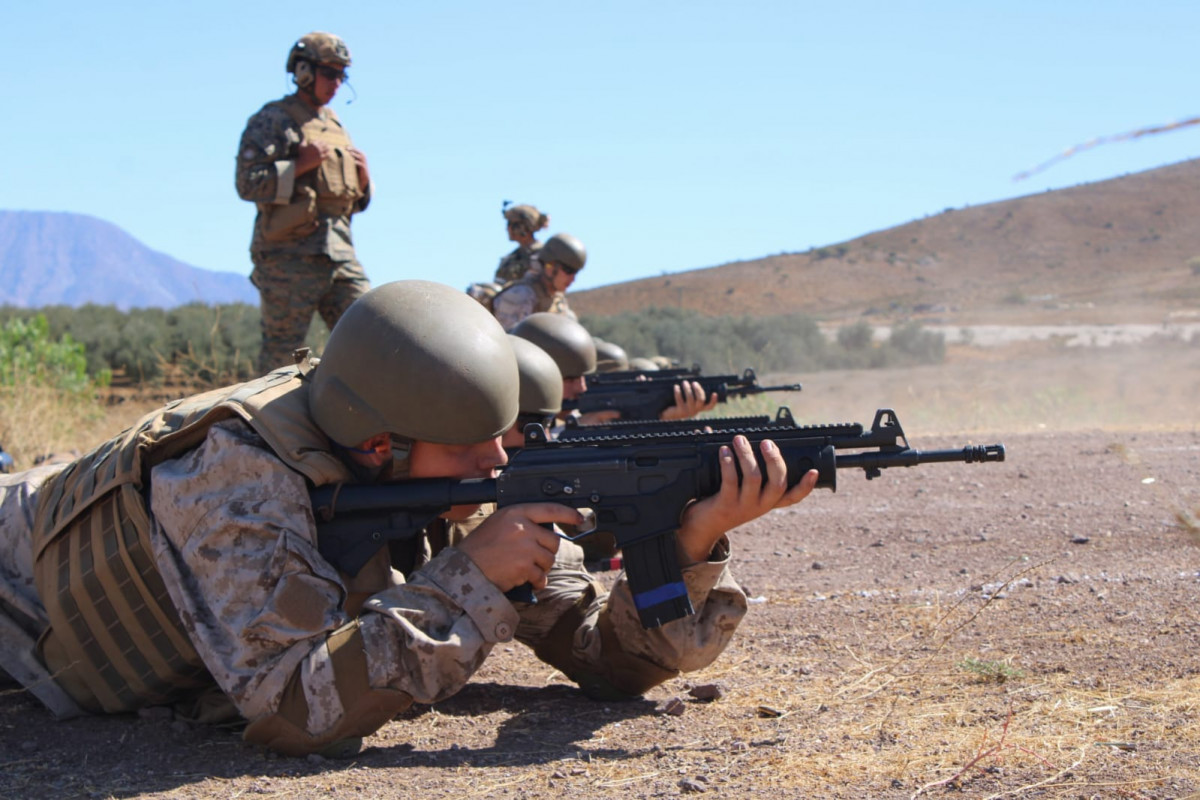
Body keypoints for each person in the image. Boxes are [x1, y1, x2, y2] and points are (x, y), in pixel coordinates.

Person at [0, 281, 818, 758]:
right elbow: (292, 711)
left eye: (504, 438)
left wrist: (689, 544)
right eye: (470, 448)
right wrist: (467, 583)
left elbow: (609, 659)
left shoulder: (453, 480)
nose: (496, 465)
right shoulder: (232, 478)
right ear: (382, 444)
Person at [236, 31, 373, 375]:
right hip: (288, 259)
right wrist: (299, 165)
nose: (337, 83)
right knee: (283, 360)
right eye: (330, 73)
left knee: (374, 335)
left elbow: (351, 202)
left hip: (340, 256)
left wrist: (365, 177)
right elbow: (246, 184)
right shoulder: (273, 120)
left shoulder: (337, 126)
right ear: (303, 72)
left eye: (342, 75)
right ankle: (266, 428)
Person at [511, 313, 718, 423]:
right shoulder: (501, 430)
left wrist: (660, 417)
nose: (582, 388)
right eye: (571, 379)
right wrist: (577, 433)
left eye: (585, 378)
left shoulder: (572, 416)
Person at [492, 233, 586, 331]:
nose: (573, 279)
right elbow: (509, 340)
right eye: (568, 270)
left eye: (575, 272)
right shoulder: (521, 296)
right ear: (550, 266)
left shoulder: (559, 302)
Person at [494, 203, 549, 285]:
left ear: (524, 227)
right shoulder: (509, 259)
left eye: (511, 224)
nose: (507, 228)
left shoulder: (544, 256)